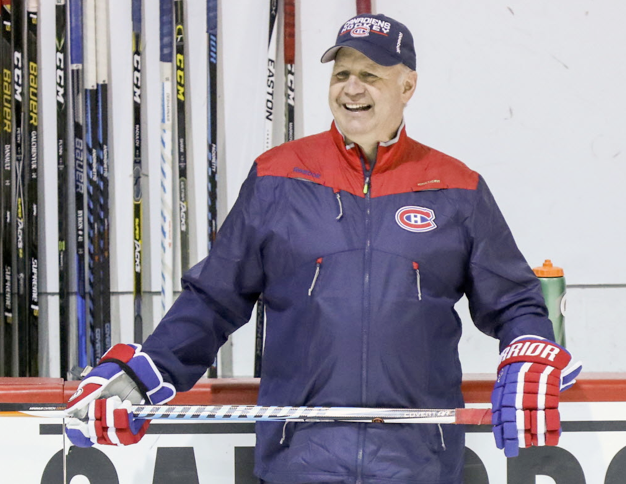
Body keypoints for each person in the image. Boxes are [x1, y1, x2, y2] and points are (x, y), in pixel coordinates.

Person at [65, 13, 582, 484]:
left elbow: (514, 301)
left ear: (408, 86)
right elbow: (212, 299)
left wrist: (528, 353)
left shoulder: (456, 187)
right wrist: (143, 373)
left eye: (370, 75)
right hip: (299, 462)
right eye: (341, 74)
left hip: (419, 466)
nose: (351, 89)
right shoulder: (278, 176)